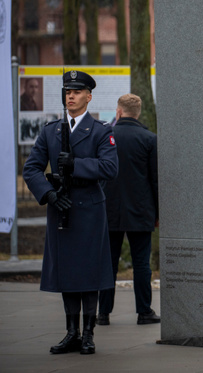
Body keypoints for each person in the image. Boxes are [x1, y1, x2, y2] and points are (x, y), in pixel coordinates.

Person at [22, 70, 118, 355]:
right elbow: (31, 168)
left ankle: (88, 334)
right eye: (67, 92)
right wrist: (48, 194)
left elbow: (110, 169)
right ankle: (72, 333)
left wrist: (77, 164)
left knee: (89, 273)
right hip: (60, 207)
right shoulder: (51, 131)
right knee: (67, 273)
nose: (71, 96)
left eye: (77, 92)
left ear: (89, 96)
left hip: (88, 210)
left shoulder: (102, 131)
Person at [97, 94, 159, 326]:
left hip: (108, 210)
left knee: (108, 263)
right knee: (142, 263)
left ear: (119, 112)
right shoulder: (149, 139)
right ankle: (144, 312)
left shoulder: (105, 136)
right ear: (138, 113)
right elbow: (155, 180)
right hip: (141, 210)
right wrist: (157, 214)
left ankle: (103, 313)